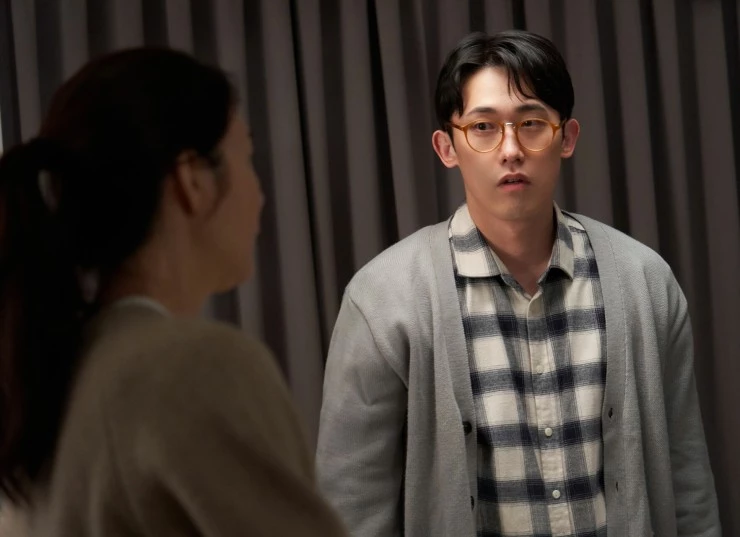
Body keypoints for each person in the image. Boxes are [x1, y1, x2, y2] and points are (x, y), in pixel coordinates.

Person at [316, 30, 721, 537]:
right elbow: (351, 507)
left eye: (531, 123)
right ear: (447, 147)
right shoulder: (383, 300)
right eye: (483, 127)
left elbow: (688, 484)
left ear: (567, 137)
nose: (510, 150)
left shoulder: (645, 281)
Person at [0, 48, 346, 537]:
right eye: (246, 157)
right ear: (192, 180)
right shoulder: (195, 367)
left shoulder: (44, 380)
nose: (260, 193)